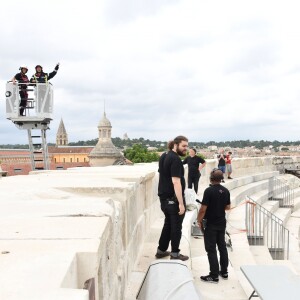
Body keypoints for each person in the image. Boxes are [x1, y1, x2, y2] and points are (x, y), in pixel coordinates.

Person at [155, 135, 189, 261]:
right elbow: (176, 182)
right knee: (176, 227)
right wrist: (181, 203)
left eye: (186, 146)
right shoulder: (175, 159)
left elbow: (162, 175)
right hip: (173, 200)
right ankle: (175, 254)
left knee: (168, 224)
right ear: (176, 145)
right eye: (183, 146)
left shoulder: (164, 155)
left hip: (163, 198)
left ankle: (161, 250)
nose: (186, 148)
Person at [197, 169, 231, 283]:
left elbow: (203, 209)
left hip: (211, 224)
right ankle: (224, 272)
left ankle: (214, 275)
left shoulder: (208, 191)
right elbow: (228, 207)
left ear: (211, 178)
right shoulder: (226, 190)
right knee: (222, 247)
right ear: (221, 179)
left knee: (211, 249)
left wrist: (199, 220)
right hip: (221, 223)